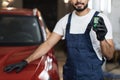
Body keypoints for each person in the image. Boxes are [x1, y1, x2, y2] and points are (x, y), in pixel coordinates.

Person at [4, 0, 115, 80]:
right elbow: (48, 44)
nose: (79, 1)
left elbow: (109, 55)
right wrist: (26, 61)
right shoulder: (65, 21)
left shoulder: (100, 19)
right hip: (70, 75)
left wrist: (102, 38)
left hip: (92, 76)